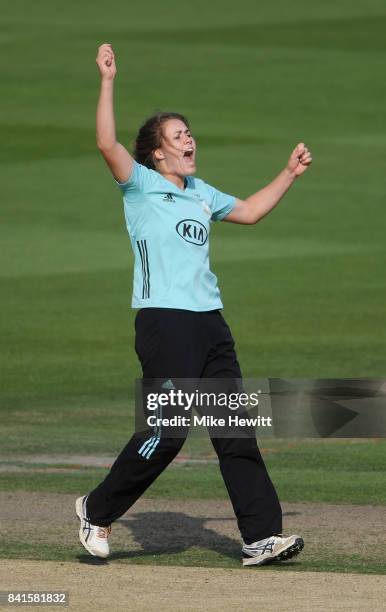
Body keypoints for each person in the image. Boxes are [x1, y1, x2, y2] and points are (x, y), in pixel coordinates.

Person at [76, 43, 313, 567]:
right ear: (157, 151)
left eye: (189, 133)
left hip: (210, 324)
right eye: (178, 135)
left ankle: (260, 537)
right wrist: (108, 80)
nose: (190, 140)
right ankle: (96, 509)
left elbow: (250, 211)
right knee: (165, 433)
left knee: (235, 432)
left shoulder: (200, 191)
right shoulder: (138, 186)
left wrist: (289, 174)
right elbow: (105, 141)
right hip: (164, 323)